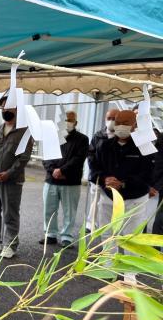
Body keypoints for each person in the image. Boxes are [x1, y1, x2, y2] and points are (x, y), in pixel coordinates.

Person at [90, 110, 151, 261]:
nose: (121, 126)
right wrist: (105, 179)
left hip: (134, 198)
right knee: (107, 232)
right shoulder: (104, 145)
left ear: (135, 125)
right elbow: (94, 167)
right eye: (118, 123)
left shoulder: (145, 147)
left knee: (131, 236)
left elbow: (148, 174)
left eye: (126, 123)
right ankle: (107, 268)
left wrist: (123, 183)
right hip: (109, 196)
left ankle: (130, 273)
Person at [0, 96, 34, 259]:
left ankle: (10, 244)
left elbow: (23, 159)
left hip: (12, 180)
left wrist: (7, 174)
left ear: (18, 109)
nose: (6, 111)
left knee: (10, 213)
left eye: (9, 108)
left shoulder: (24, 132)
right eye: (3, 108)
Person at [41, 110, 89, 247]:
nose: (67, 122)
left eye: (70, 120)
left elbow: (78, 159)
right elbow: (46, 157)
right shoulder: (53, 136)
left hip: (71, 181)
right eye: (65, 120)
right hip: (51, 180)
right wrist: (53, 171)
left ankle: (66, 237)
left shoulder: (82, 139)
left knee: (69, 211)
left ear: (76, 123)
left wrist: (62, 170)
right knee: (49, 209)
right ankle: (50, 235)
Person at [86, 109, 118, 231]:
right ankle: (91, 224)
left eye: (114, 119)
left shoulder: (123, 138)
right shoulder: (98, 135)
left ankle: (108, 226)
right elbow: (91, 156)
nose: (111, 121)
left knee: (110, 203)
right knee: (95, 201)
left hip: (115, 179)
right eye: (109, 118)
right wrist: (100, 175)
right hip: (98, 177)